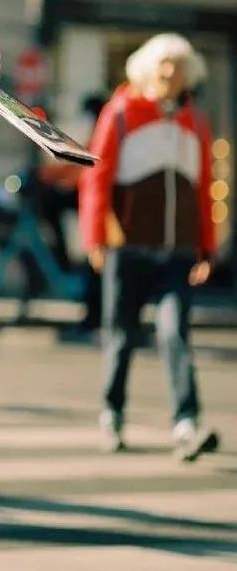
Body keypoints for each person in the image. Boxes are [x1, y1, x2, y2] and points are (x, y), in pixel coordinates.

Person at [79, 33, 220, 460]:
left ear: (187, 75)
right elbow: (95, 179)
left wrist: (207, 248)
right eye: (163, 65)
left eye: (178, 67)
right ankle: (113, 414)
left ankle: (186, 423)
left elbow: (204, 189)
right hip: (128, 248)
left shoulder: (196, 122)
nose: (170, 74)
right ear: (147, 68)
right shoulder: (120, 112)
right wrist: (95, 237)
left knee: (175, 333)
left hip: (177, 252)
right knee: (121, 336)